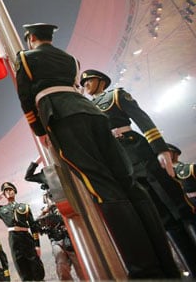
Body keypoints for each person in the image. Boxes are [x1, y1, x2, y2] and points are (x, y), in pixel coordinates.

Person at [15, 22, 179, 278]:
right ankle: (167, 267)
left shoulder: (25, 58)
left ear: (31, 38)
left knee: (103, 188)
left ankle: (145, 271)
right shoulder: (71, 59)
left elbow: (25, 97)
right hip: (93, 114)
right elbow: (75, 87)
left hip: (62, 118)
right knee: (130, 185)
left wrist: (40, 131)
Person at [80, 68, 196, 275]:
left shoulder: (116, 96)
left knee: (179, 207)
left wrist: (160, 149)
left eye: (88, 81)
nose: (85, 85)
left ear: (100, 81)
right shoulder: (86, 108)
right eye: (83, 83)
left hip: (139, 150)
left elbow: (142, 119)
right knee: (162, 217)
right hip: (120, 160)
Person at [24, 157, 80, 281]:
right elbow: (28, 177)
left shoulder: (68, 189)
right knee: (61, 266)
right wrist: (37, 161)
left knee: (81, 265)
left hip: (72, 235)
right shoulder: (48, 206)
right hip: (56, 238)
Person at [0, 182, 43, 281]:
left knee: (34, 262)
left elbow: (33, 227)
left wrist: (37, 245)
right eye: (6, 191)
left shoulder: (25, 207)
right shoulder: (2, 210)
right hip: (13, 239)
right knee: (20, 263)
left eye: (10, 189)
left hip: (26, 237)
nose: (8, 192)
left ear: (15, 192)